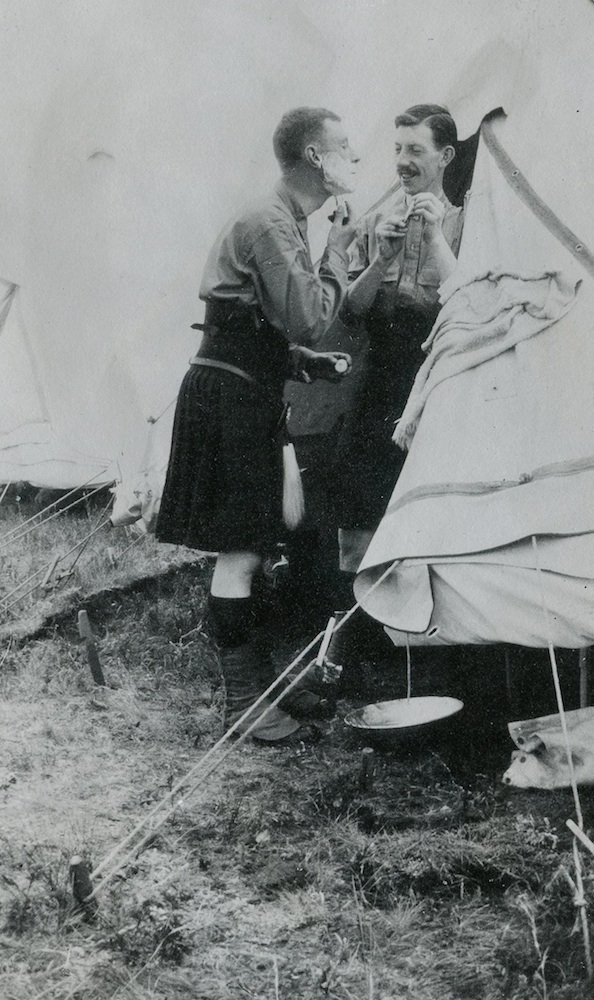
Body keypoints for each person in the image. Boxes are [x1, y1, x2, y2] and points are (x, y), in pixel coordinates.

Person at [156, 107, 360, 742]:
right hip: (230, 398)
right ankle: (244, 702)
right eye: (345, 148)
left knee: (267, 534)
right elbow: (308, 316)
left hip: (245, 388)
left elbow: (255, 323)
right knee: (242, 547)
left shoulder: (285, 219)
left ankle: (262, 688)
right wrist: (339, 251)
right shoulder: (273, 222)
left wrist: (302, 362)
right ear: (314, 157)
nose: (357, 158)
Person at [329, 104, 465, 686]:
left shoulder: (466, 221)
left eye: (416, 150)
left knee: (433, 512)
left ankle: (436, 655)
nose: (404, 162)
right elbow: (352, 311)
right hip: (380, 382)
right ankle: (361, 644)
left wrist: (433, 235)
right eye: (398, 150)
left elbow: (468, 300)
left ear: (446, 156)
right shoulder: (374, 222)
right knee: (361, 509)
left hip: (440, 383)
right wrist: (381, 255)